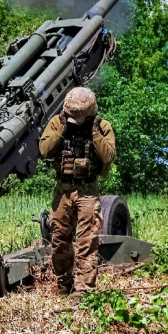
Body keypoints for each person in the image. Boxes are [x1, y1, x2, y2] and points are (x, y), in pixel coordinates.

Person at [38, 87, 116, 296]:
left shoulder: (102, 126)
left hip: (88, 189)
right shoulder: (57, 123)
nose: (76, 119)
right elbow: (44, 150)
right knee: (59, 239)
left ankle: (83, 290)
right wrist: (62, 129)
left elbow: (108, 156)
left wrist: (94, 133)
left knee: (87, 241)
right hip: (63, 189)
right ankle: (64, 283)